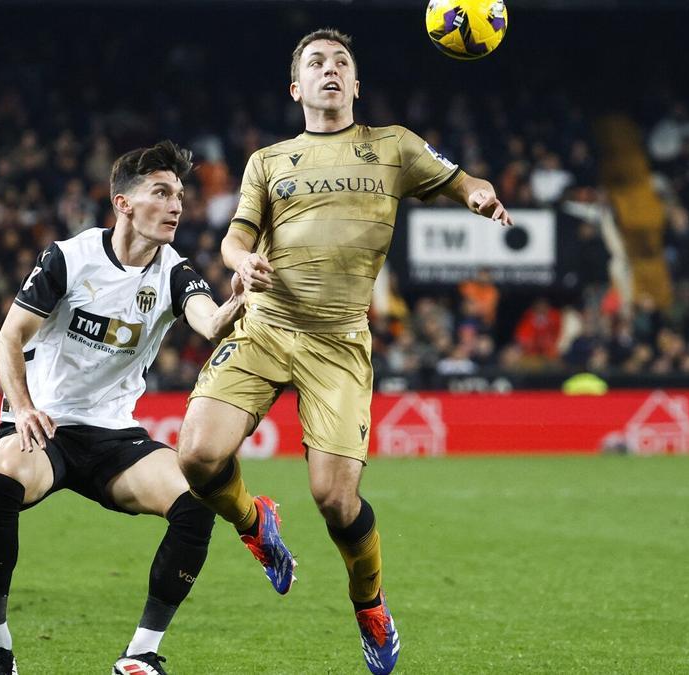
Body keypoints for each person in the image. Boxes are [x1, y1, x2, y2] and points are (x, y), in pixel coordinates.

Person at [175, 29, 512, 675]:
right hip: (265, 325)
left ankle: (370, 602)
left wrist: (475, 194)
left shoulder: (394, 146)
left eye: (341, 63)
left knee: (335, 499)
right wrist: (243, 259)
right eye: (316, 63)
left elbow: (466, 179)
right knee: (196, 454)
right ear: (296, 87)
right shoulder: (269, 161)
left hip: (338, 342)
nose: (330, 70)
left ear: (355, 84)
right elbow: (233, 239)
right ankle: (255, 521)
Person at [0, 141, 245, 675]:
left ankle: (140, 655)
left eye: (180, 196)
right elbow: (8, 340)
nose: (176, 206)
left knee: (196, 501)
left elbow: (209, 323)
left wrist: (237, 299)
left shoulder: (173, 270)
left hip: (115, 437)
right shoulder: (68, 258)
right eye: (161, 193)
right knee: (3, 475)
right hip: (45, 427)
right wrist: (23, 408)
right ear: (123, 203)